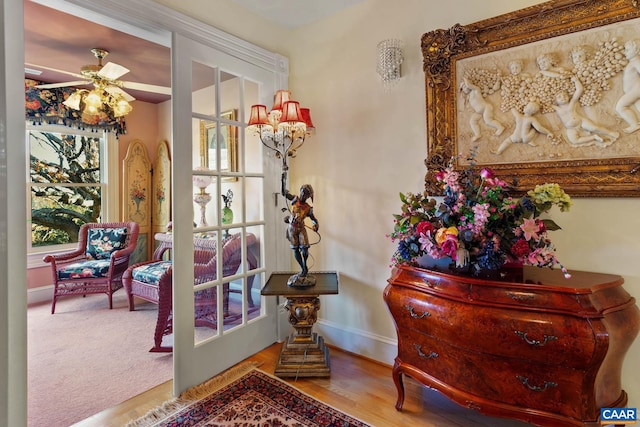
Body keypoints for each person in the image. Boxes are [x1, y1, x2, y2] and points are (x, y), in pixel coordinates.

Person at [553, 76, 619, 146]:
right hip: (571, 128)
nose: (563, 97)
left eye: (565, 95)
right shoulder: (555, 107)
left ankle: (610, 133)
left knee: (594, 128)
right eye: (559, 97)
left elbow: (579, 90)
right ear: (555, 100)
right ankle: (594, 137)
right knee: (574, 141)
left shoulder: (572, 103)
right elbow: (544, 105)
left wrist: (576, 81)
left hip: (581, 121)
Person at [284, 184, 319, 280]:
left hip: (301, 229)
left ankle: (305, 264)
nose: (303, 195)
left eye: (306, 194)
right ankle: (303, 268)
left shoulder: (308, 208)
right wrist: (283, 180)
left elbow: (313, 219)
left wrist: (316, 224)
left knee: (304, 249)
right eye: (303, 192)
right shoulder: (294, 199)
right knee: (295, 249)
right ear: (300, 191)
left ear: (308, 197)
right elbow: (285, 193)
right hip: (292, 229)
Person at [616, 39, 640, 133]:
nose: (625, 52)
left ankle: (634, 124)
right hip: (633, 91)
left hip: (635, 90)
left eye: (628, 50)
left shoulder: (636, 61)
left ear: (637, 50)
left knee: (620, 107)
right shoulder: (632, 62)